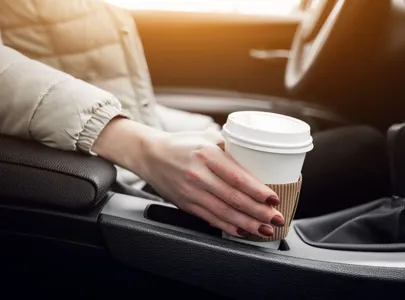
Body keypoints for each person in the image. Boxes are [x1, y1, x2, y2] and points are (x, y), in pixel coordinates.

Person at [0, 0, 391, 238]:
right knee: (367, 150)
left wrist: (210, 136)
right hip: (109, 184)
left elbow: (128, 98)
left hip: (117, 153)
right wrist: (141, 147)